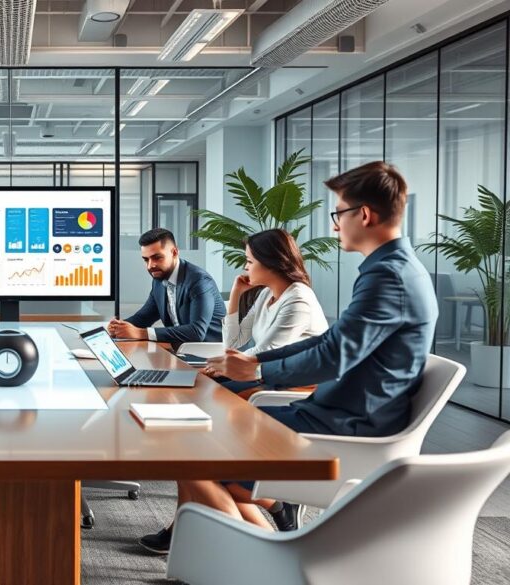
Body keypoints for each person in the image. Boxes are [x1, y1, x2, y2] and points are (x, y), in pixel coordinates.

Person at [139, 161, 439, 555]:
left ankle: (263, 563)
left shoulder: (389, 276)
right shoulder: (394, 269)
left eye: (338, 214)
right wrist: (256, 365)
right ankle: (262, 552)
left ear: (363, 215)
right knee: (195, 448)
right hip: (339, 409)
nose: (334, 226)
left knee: (191, 453)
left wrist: (261, 368)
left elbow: (334, 356)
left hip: (348, 422)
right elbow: (333, 340)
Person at [215, 229, 329, 397]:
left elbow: (267, 350)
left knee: (218, 391)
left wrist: (225, 364)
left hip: (296, 382)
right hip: (266, 373)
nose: (245, 267)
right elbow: (234, 344)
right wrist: (235, 294)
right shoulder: (266, 294)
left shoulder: (299, 298)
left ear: (270, 263)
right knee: (211, 385)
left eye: (249, 261)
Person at [108, 228, 225, 344]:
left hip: (209, 355)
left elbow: (197, 332)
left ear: (174, 253)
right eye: (146, 260)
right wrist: (118, 327)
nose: (150, 266)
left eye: (157, 258)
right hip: (177, 350)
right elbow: (143, 318)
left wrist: (141, 333)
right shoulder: (159, 280)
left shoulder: (199, 281)